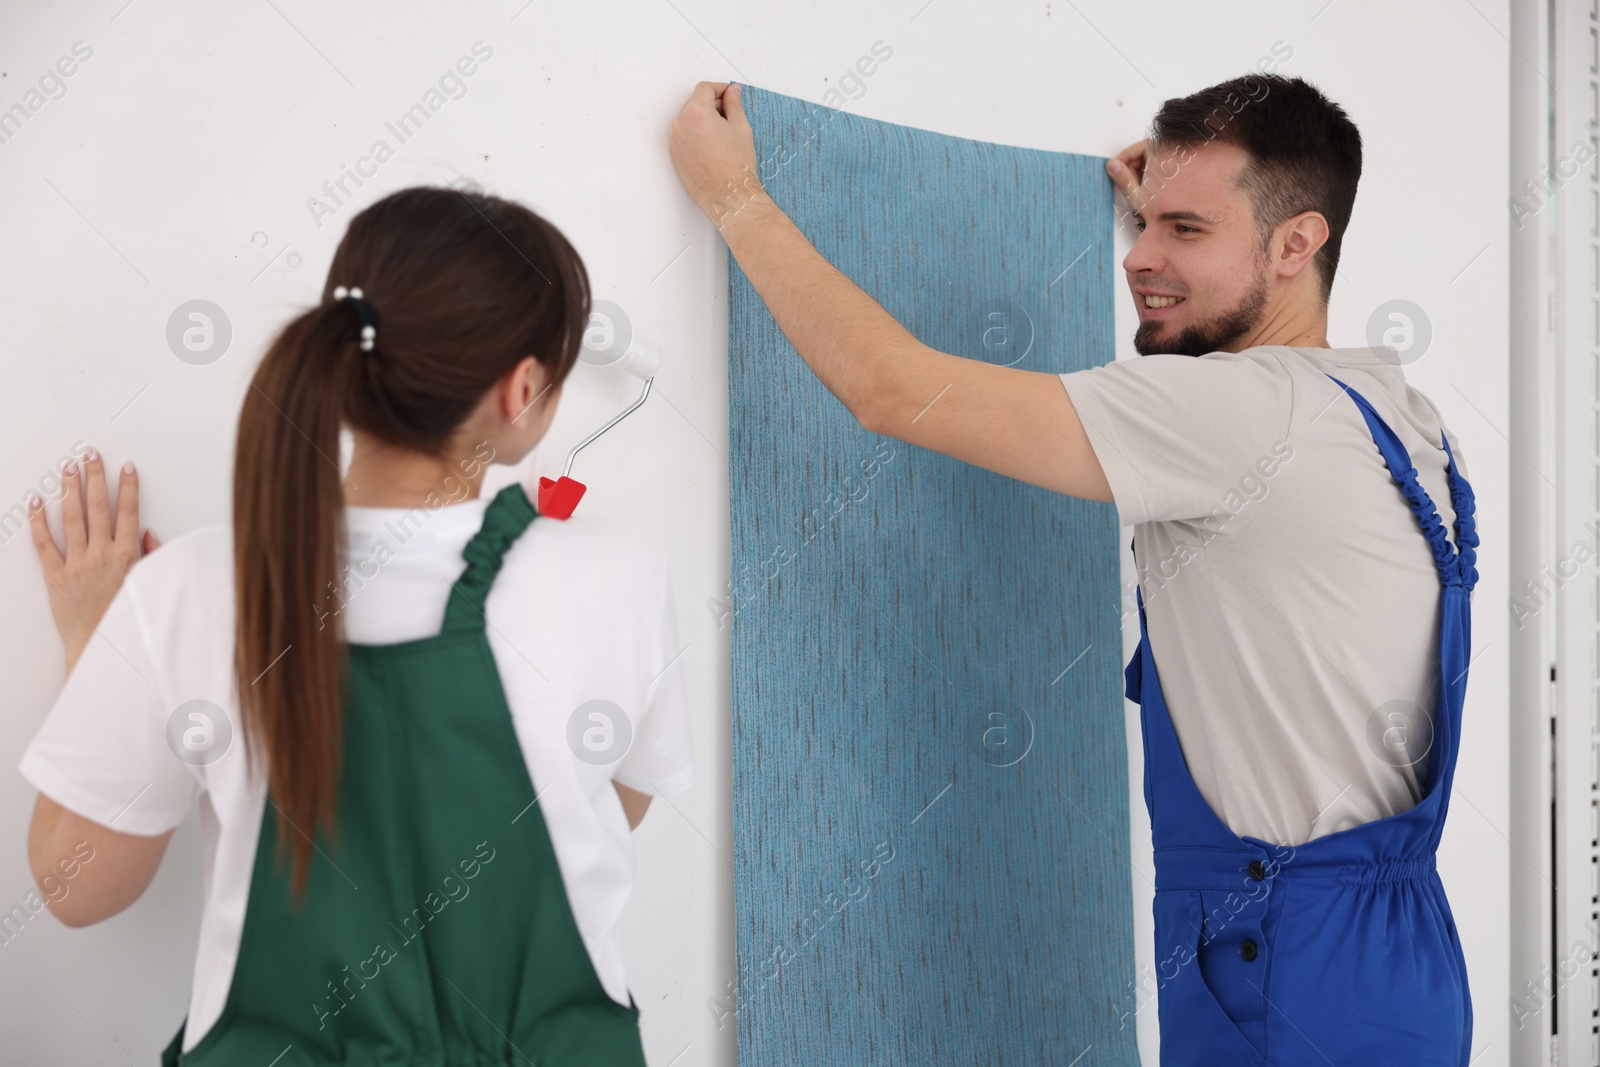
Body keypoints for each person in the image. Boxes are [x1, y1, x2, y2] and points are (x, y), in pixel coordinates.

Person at [668, 73, 1478, 1063]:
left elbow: (892, 390)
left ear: (1296, 243)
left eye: (1184, 229)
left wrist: (734, 198)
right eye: (1147, 223)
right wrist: (1188, 233)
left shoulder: (1235, 413)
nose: (1139, 256)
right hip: (1405, 964)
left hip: (1287, 967)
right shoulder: (1402, 418)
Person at [21, 186, 696, 1065]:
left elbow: (77, 888)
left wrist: (95, 641)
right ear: (522, 388)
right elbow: (615, 806)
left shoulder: (187, 589)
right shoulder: (622, 576)